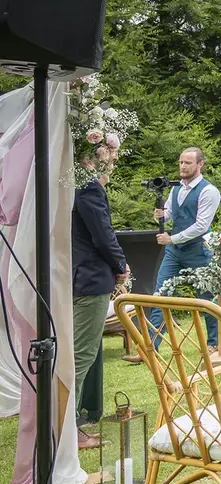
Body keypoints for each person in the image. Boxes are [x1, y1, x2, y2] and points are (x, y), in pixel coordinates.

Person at [71, 153, 128, 449]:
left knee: (75, 355)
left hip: (73, 277)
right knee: (81, 357)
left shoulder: (67, 183)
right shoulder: (88, 186)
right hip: (90, 280)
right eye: (111, 153)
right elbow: (102, 236)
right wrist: (120, 265)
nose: (115, 159)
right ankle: (71, 430)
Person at [149, 146, 221, 352]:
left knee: (206, 298)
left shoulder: (209, 191)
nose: (183, 166)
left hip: (199, 250)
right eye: (181, 162)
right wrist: (160, 215)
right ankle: (151, 346)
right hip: (175, 252)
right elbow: (170, 215)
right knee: (160, 294)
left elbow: (201, 226)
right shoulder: (175, 188)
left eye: (188, 163)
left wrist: (171, 239)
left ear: (200, 164)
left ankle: (213, 343)